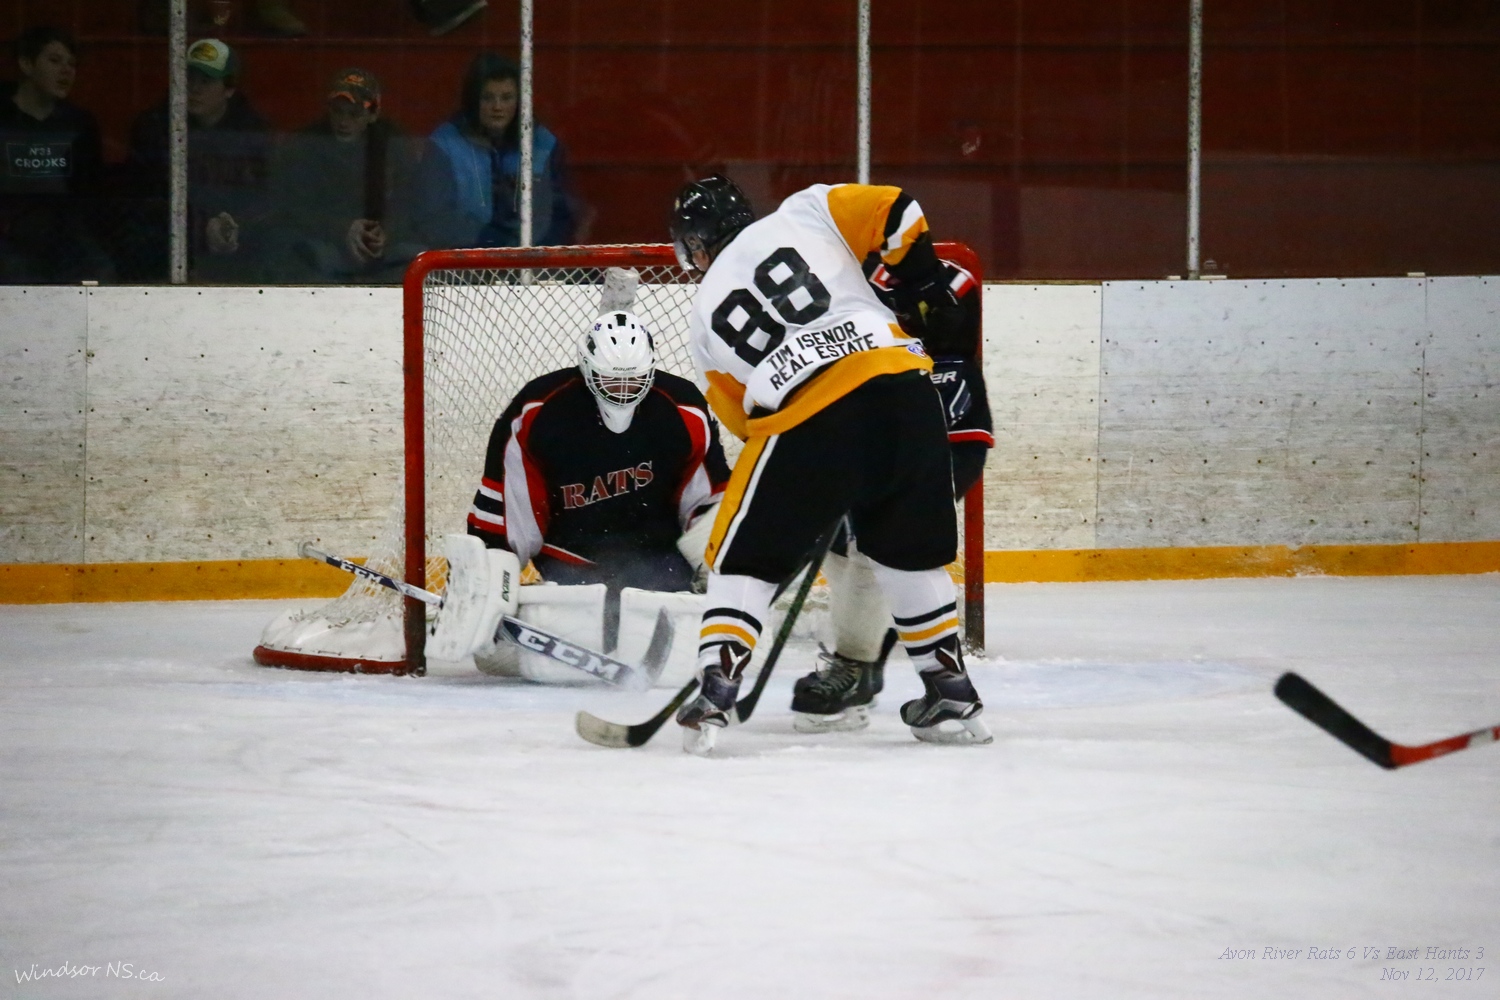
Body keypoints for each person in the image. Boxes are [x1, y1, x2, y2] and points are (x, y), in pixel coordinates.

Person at [669, 175, 991, 749]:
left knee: (743, 560)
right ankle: (949, 690)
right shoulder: (805, 211)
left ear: (695, 245)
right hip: (905, 390)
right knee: (909, 557)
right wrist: (922, 280)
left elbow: (745, 417)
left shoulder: (702, 315)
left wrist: (817, 481)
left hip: (806, 416)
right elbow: (896, 208)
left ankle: (717, 685)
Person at [789, 255, 993, 731]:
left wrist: (906, 496)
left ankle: (857, 669)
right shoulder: (880, 360)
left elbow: (965, 452)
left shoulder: (948, 371)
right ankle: (873, 670)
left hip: (907, 492)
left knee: (869, 554)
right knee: (842, 553)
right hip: (874, 486)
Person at [466, 306, 730, 643]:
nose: (623, 389)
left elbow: (708, 500)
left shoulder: (683, 408)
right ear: (586, 368)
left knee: (664, 638)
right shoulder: (538, 411)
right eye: (611, 379)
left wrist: (721, 570)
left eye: (634, 379)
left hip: (659, 562)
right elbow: (509, 509)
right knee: (577, 635)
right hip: (570, 563)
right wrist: (489, 586)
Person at [124, 38, 271, 282]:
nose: (194, 89)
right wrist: (200, 228)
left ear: (229, 89)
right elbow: (141, 201)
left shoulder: (253, 133)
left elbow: (265, 199)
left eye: (206, 81)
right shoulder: (153, 128)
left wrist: (235, 226)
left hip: (236, 248)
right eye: (189, 79)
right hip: (167, 247)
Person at [262, 68, 423, 284]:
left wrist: (386, 232)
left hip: (384, 250)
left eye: (354, 114)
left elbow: (411, 204)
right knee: (294, 253)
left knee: (417, 258)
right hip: (324, 246)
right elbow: (291, 208)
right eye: (337, 111)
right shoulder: (306, 145)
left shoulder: (393, 144)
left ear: (373, 114)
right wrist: (343, 229)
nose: (343, 121)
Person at [414, 52, 579, 250]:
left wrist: (538, 252)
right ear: (473, 101)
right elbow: (434, 218)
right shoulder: (445, 144)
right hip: (465, 259)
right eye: (488, 98)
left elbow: (561, 214)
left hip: (534, 257)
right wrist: (494, 244)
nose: (497, 107)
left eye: (507, 98)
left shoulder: (542, 144)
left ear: (520, 101)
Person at [0, 25, 113, 283]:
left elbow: (91, 193)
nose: (66, 71)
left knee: (100, 269)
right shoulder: (4, 118)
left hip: (63, 236)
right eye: (54, 60)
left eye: (72, 64)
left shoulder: (79, 124)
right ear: (26, 64)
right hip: (8, 235)